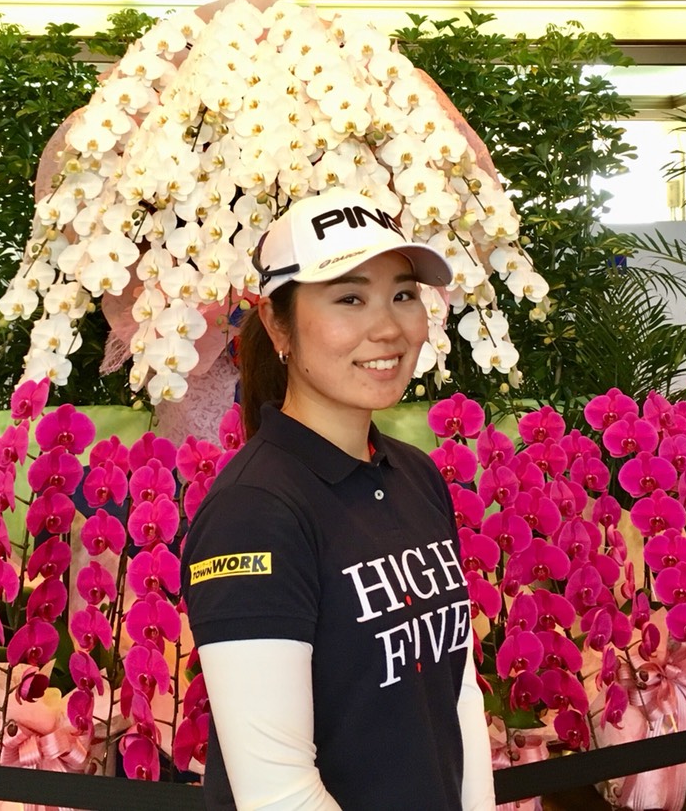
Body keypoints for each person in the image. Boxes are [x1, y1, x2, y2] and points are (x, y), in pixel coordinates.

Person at [180, 189, 496, 811]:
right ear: (278, 324)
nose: (388, 328)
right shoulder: (254, 514)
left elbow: (456, 692)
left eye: (403, 295)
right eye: (349, 298)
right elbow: (279, 795)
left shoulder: (415, 476)